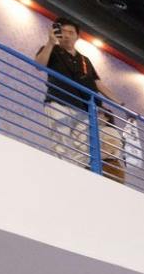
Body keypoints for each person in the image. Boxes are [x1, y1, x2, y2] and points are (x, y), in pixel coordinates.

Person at [34, 19, 105, 167]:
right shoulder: (51, 49)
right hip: (58, 101)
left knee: (85, 149)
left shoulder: (84, 60)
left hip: (83, 107)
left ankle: (74, 176)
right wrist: (51, 42)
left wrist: (120, 104)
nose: (67, 35)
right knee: (60, 143)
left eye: (71, 32)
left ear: (77, 36)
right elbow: (39, 65)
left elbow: (97, 83)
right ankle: (63, 174)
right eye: (63, 32)